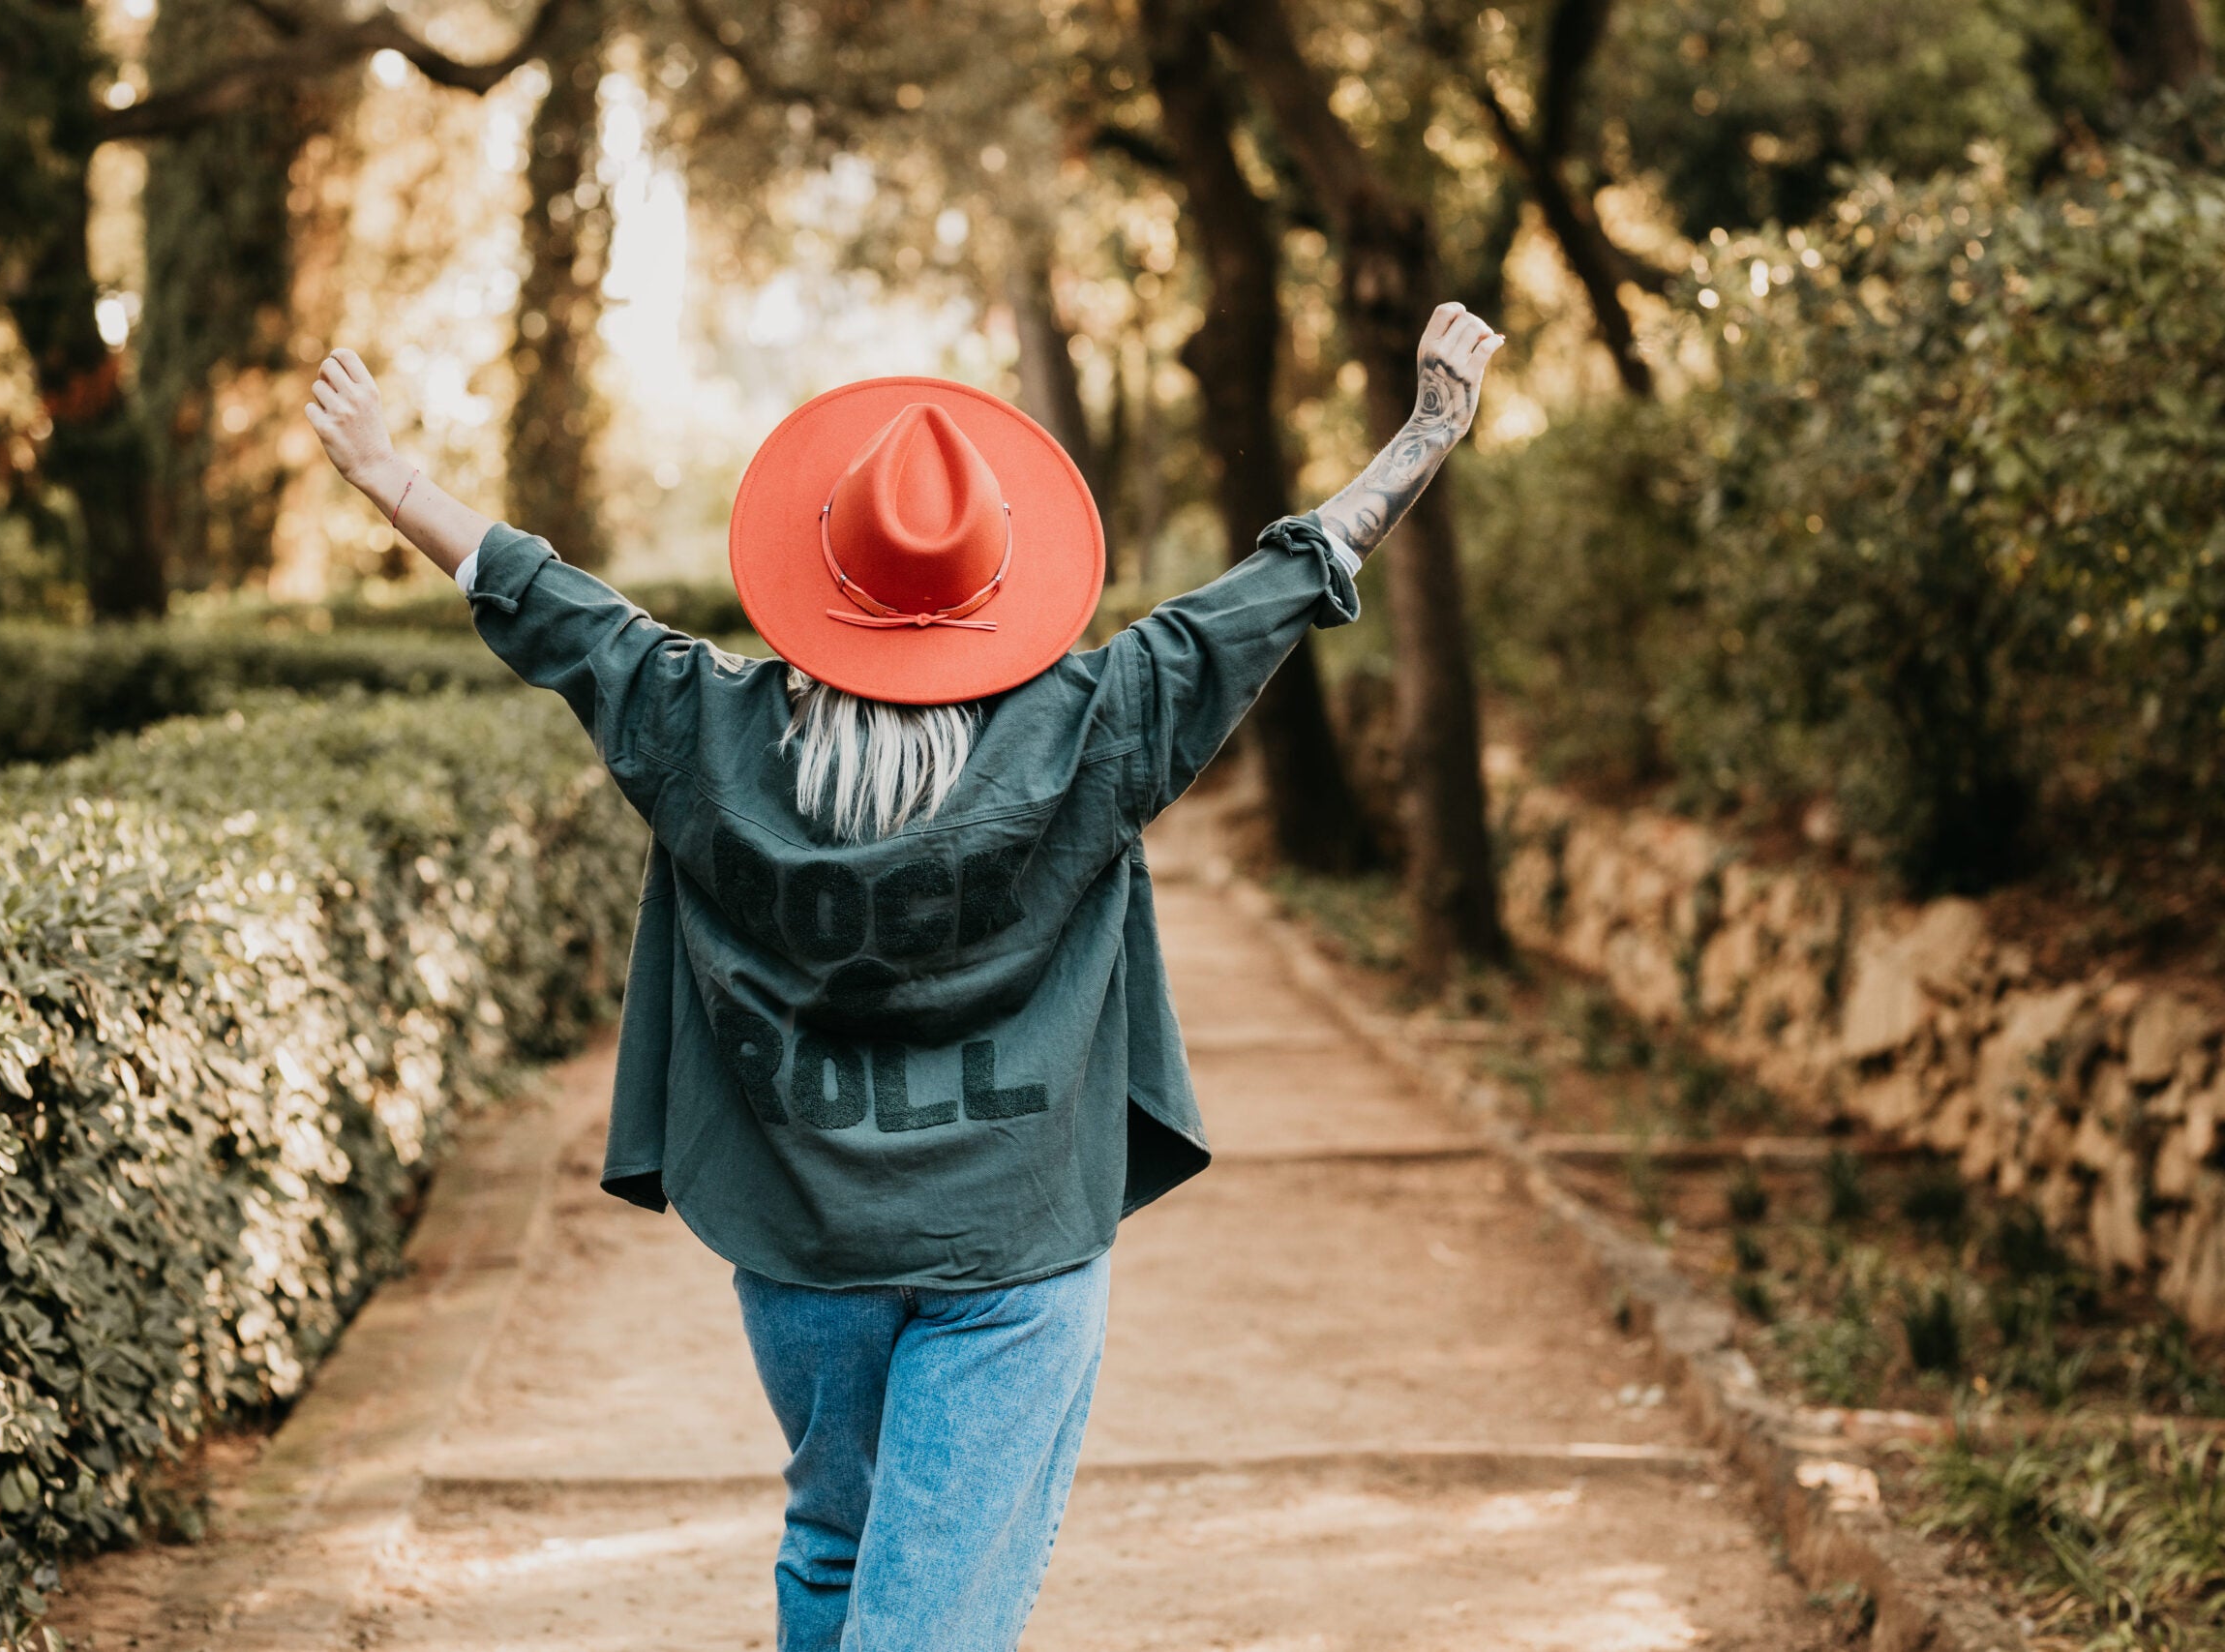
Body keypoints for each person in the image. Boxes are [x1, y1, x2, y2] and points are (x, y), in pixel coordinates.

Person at [304, 301, 1502, 1652]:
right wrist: (1425, 433)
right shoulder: (1091, 731)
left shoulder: (708, 729)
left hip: (802, 1245)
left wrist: (391, 475)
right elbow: (1278, 587)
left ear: (822, 580)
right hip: (1014, 1243)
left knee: (835, 1540)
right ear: (997, 592)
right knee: (927, 1621)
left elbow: (554, 607)